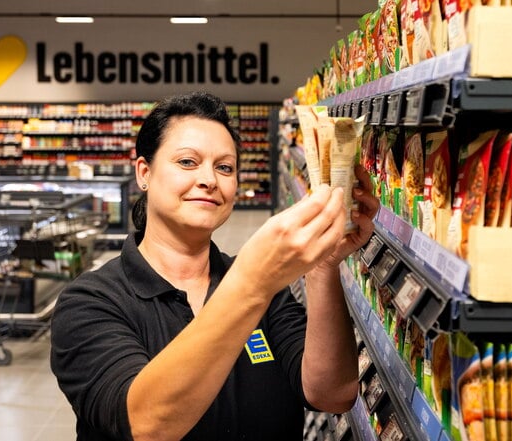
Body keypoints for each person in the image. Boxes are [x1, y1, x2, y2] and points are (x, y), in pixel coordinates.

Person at [50, 92, 380, 441]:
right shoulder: (88, 302)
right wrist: (252, 282)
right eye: (188, 162)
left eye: (224, 167)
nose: (209, 179)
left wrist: (322, 266)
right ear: (144, 173)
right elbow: (147, 425)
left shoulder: (267, 293)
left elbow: (332, 394)